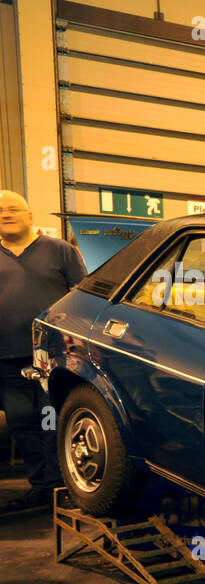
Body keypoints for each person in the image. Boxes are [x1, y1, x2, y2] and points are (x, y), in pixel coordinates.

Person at [0, 190, 86, 511]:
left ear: (30, 215)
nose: (6, 214)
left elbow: (81, 295)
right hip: (7, 360)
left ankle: (64, 485)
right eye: (0, 210)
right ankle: (41, 488)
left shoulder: (60, 251)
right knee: (23, 423)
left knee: (53, 420)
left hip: (52, 358)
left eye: (13, 209)